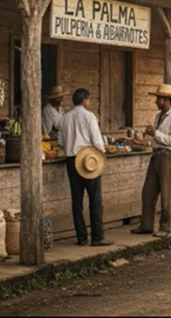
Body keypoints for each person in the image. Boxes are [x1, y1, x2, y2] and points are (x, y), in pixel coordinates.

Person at [57, 88, 114, 247]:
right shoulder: (89, 116)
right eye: (88, 100)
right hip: (88, 161)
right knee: (95, 200)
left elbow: (61, 141)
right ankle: (97, 237)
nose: (88, 102)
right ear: (85, 100)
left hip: (71, 161)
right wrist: (102, 156)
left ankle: (81, 237)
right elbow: (97, 141)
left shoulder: (64, 118)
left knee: (76, 201)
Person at [132, 84, 171, 238]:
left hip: (168, 156)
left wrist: (156, 133)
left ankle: (166, 227)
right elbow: (158, 137)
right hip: (157, 154)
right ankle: (147, 224)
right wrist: (147, 137)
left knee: (167, 193)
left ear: (165, 100)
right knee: (148, 191)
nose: (156, 101)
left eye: (158, 98)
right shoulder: (158, 116)